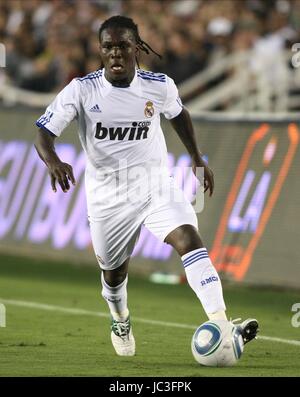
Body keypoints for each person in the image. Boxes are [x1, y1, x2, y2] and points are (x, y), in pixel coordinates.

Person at [34, 15, 258, 357]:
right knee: (113, 275)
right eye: (108, 47)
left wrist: (196, 156)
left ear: (136, 47)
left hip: (154, 185)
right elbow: (44, 135)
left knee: (188, 238)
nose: (115, 54)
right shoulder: (82, 90)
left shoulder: (159, 85)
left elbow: (178, 114)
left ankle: (224, 327)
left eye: (123, 46)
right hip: (107, 197)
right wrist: (53, 161)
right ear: (101, 50)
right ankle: (119, 317)